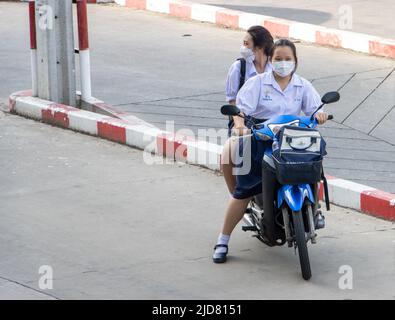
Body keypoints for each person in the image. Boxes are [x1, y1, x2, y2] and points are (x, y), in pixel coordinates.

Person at [213, 38, 329, 263]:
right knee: (244, 191)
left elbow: (316, 108)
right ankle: (223, 240)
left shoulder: (303, 85)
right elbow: (240, 109)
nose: (283, 63)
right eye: (278, 59)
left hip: (293, 142)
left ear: (296, 61)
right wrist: (239, 125)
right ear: (270, 60)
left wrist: (320, 115)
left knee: (314, 166)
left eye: (288, 59)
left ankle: (315, 210)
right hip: (262, 138)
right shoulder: (258, 83)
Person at [222, 26, 274, 195]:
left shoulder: (275, 68)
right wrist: (239, 125)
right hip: (244, 120)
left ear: (259, 47)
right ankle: (237, 195)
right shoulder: (239, 67)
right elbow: (232, 101)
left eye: (246, 44)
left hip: (271, 122)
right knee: (229, 153)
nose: (243, 47)